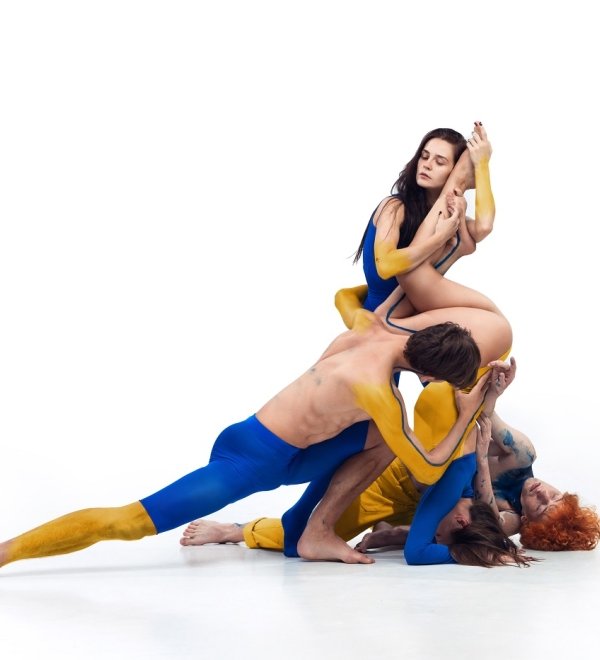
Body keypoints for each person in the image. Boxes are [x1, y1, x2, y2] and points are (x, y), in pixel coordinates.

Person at [0, 288, 503, 569]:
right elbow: (425, 464)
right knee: (129, 522)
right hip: (251, 456)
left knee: (377, 441)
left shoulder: (375, 325)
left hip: (297, 452)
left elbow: (350, 291)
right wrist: (468, 411)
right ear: (430, 371)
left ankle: (317, 532)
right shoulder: (379, 391)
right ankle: (6, 553)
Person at [336, 122, 494, 322]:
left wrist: (482, 165)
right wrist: (439, 239)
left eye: (440, 161)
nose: (427, 164)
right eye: (424, 156)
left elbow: (484, 226)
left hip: (416, 315)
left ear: (454, 172)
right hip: (381, 318)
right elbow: (385, 266)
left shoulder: (444, 217)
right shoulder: (394, 207)